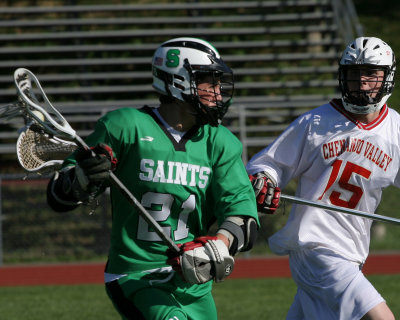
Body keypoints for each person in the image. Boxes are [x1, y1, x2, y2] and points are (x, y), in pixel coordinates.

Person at [46, 37, 259, 320]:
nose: (217, 93)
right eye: (208, 82)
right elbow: (59, 196)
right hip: (137, 274)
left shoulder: (220, 142)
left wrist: (217, 246)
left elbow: (243, 217)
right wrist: (84, 177)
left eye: (219, 84)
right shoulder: (125, 126)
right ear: (178, 80)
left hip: (193, 281)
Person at [246, 36, 397, 319]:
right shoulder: (315, 123)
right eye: (354, 74)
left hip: (351, 251)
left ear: (387, 78)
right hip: (315, 247)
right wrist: (264, 178)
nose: (362, 83)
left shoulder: (395, 131)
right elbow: (267, 163)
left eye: (371, 75)